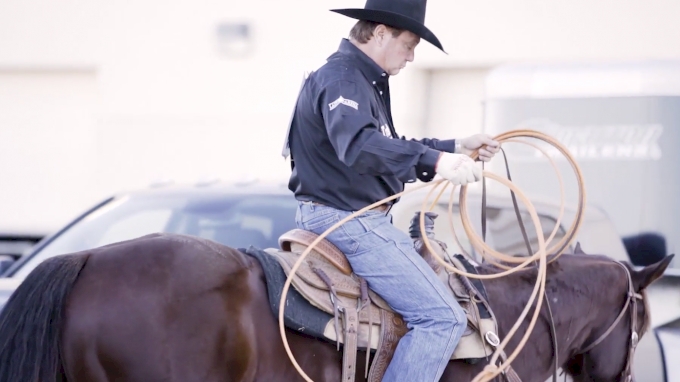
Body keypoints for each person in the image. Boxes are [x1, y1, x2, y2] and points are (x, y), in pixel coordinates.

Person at [281, 0, 501, 380]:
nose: (412, 57)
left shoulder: (357, 78)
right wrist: (435, 162)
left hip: (339, 215)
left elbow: (387, 144)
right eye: (409, 44)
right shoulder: (345, 80)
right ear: (380, 33)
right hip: (349, 221)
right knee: (442, 319)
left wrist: (454, 147)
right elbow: (361, 145)